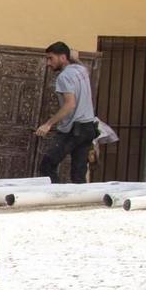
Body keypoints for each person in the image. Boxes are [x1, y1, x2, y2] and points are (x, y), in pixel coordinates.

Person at [35, 40, 99, 184]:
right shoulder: (80, 70)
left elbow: (70, 104)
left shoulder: (63, 77)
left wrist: (48, 124)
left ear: (63, 57)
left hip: (73, 130)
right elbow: (86, 69)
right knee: (79, 173)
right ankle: (80, 203)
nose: (48, 63)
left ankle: (56, 197)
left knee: (47, 166)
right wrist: (75, 58)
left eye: (51, 58)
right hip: (88, 128)